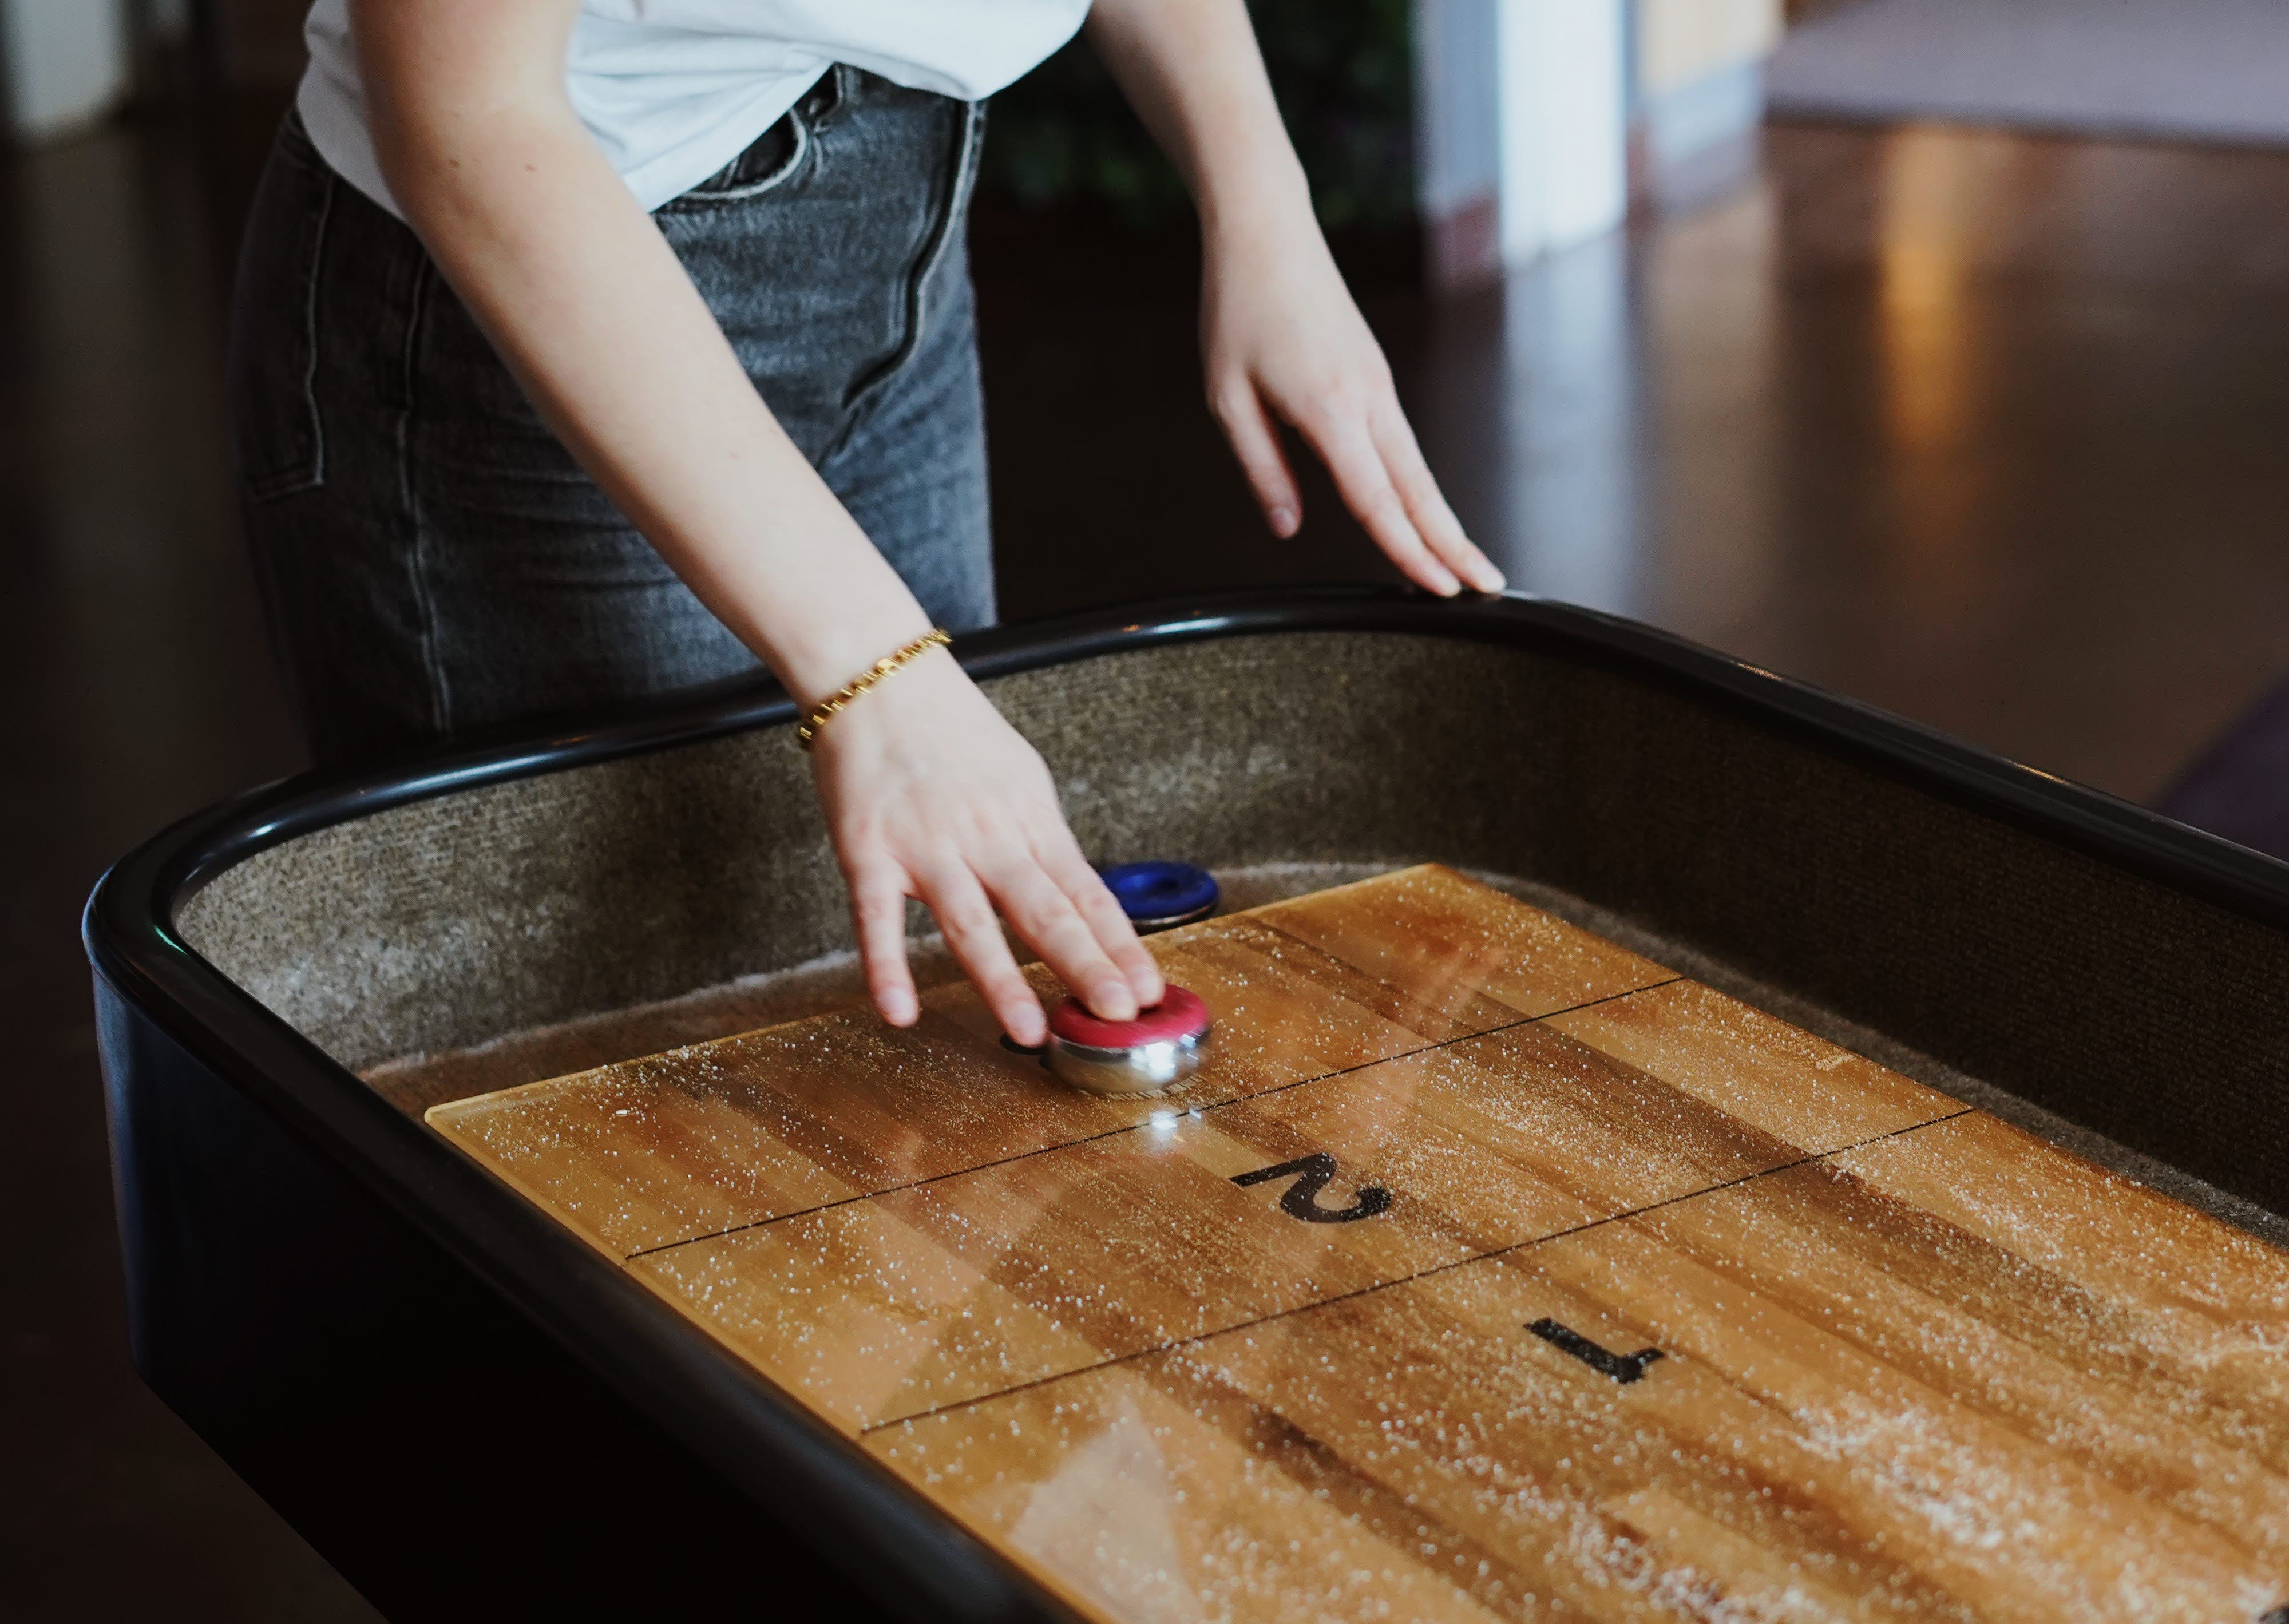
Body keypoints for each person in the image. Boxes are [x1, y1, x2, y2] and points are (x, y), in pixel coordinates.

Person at [228, 0, 1505, 1049]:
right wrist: (877, 667)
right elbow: (464, 113)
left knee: (920, 986)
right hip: (537, 307)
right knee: (646, 1069)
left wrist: (1260, 201)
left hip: (901, 221)